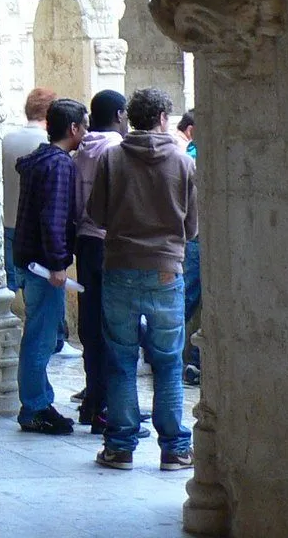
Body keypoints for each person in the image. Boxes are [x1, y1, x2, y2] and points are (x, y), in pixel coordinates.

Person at [88, 88, 198, 471]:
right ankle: (175, 449)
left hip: (120, 266)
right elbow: (192, 227)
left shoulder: (112, 158)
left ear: (131, 117)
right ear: (163, 119)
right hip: (166, 270)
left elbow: (96, 214)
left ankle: (120, 446)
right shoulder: (183, 162)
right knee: (167, 362)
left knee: (121, 359)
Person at [12, 97, 88, 434]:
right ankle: (34, 407)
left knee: (38, 334)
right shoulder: (59, 165)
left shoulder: (39, 161)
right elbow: (53, 218)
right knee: (40, 338)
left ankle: (40, 400)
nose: (86, 133)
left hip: (29, 258)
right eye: (84, 126)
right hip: (43, 266)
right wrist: (58, 264)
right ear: (73, 128)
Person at [71, 88, 126, 430]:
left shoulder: (81, 150)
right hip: (109, 242)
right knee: (113, 327)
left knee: (91, 324)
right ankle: (108, 406)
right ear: (119, 115)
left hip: (85, 240)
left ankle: (94, 400)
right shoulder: (117, 149)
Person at [1, 88, 55, 296]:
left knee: (9, 289)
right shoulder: (49, 144)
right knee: (40, 298)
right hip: (35, 230)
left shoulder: (6, 140)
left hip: (8, 222)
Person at [176, 108, 201, 385]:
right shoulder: (191, 157)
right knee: (188, 298)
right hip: (197, 237)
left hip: (195, 236)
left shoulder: (189, 154)